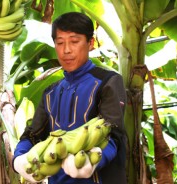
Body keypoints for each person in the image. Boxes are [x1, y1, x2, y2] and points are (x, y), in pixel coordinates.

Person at [12, 12, 128, 184]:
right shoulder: (50, 92)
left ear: (90, 43)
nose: (66, 50)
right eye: (60, 43)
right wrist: (19, 158)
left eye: (74, 41)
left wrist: (95, 160)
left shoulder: (107, 81)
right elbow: (33, 134)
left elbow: (114, 133)